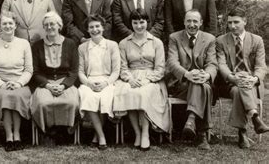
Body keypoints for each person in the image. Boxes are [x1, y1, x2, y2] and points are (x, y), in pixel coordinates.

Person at [113, 9, 170, 151]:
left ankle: (145, 133)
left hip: (151, 79)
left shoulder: (156, 42)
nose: (139, 26)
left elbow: (160, 68)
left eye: (142, 22)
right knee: (129, 92)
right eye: (135, 22)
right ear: (131, 24)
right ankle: (137, 133)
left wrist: (148, 80)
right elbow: (123, 67)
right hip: (131, 77)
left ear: (147, 22)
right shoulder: (124, 43)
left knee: (143, 93)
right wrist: (130, 79)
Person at [215, 8, 269, 148]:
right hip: (229, 83)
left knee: (241, 89)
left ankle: (243, 131)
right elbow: (221, 64)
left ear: (245, 21)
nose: (232, 26)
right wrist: (233, 77)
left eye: (236, 22)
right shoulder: (221, 41)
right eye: (230, 23)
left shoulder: (256, 40)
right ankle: (254, 117)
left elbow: (261, 66)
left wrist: (255, 78)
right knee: (238, 87)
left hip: (252, 84)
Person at [166, 9, 217, 150]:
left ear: (200, 23)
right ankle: (202, 135)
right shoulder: (174, 38)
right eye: (188, 21)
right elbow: (172, 62)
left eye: (195, 21)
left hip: (203, 80)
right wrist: (187, 74)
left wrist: (206, 75)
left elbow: (212, 63)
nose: (192, 24)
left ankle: (191, 120)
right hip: (181, 84)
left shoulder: (209, 39)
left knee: (203, 85)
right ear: (184, 22)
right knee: (203, 87)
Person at [0, 12, 33, 151]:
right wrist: (1, 84)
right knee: (5, 96)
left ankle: (17, 134)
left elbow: (29, 69)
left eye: (10, 23)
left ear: (15, 25)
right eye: (4, 24)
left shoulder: (24, 44)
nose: (7, 26)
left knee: (17, 95)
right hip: (1, 83)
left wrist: (19, 83)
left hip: (20, 83)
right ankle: (8, 136)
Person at [30, 11, 79, 144]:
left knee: (71, 102)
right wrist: (48, 85)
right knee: (43, 103)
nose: (49, 27)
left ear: (59, 26)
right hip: (45, 83)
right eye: (46, 25)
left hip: (65, 82)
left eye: (52, 24)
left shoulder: (70, 44)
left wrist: (64, 85)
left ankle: (66, 132)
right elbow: (35, 72)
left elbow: (74, 71)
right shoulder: (37, 46)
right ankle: (48, 132)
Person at [77, 15, 120, 150]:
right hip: (89, 81)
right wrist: (89, 84)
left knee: (104, 97)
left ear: (103, 27)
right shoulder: (82, 48)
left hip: (107, 81)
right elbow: (80, 72)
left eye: (97, 26)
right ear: (87, 30)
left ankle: (97, 136)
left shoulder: (112, 45)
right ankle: (101, 136)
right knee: (89, 96)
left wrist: (106, 83)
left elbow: (116, 71)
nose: (95, 30)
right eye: (91, 27)